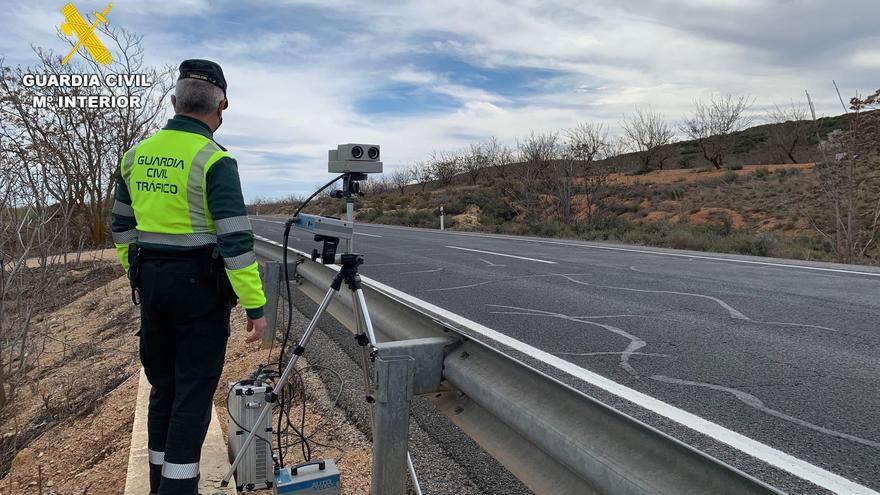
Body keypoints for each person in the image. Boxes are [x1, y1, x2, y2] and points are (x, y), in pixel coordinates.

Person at [110, 59, 267, 495]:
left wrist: (137, 270)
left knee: (164, 387)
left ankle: (160, 480)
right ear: (223, 106)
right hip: (200, 293)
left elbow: (121, 228)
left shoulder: (134, 157)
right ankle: (178, 489)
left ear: (174, 101)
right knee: (193, 398)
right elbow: (236, 245)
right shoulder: (215, 161)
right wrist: (255, 306)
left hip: (154, 286)